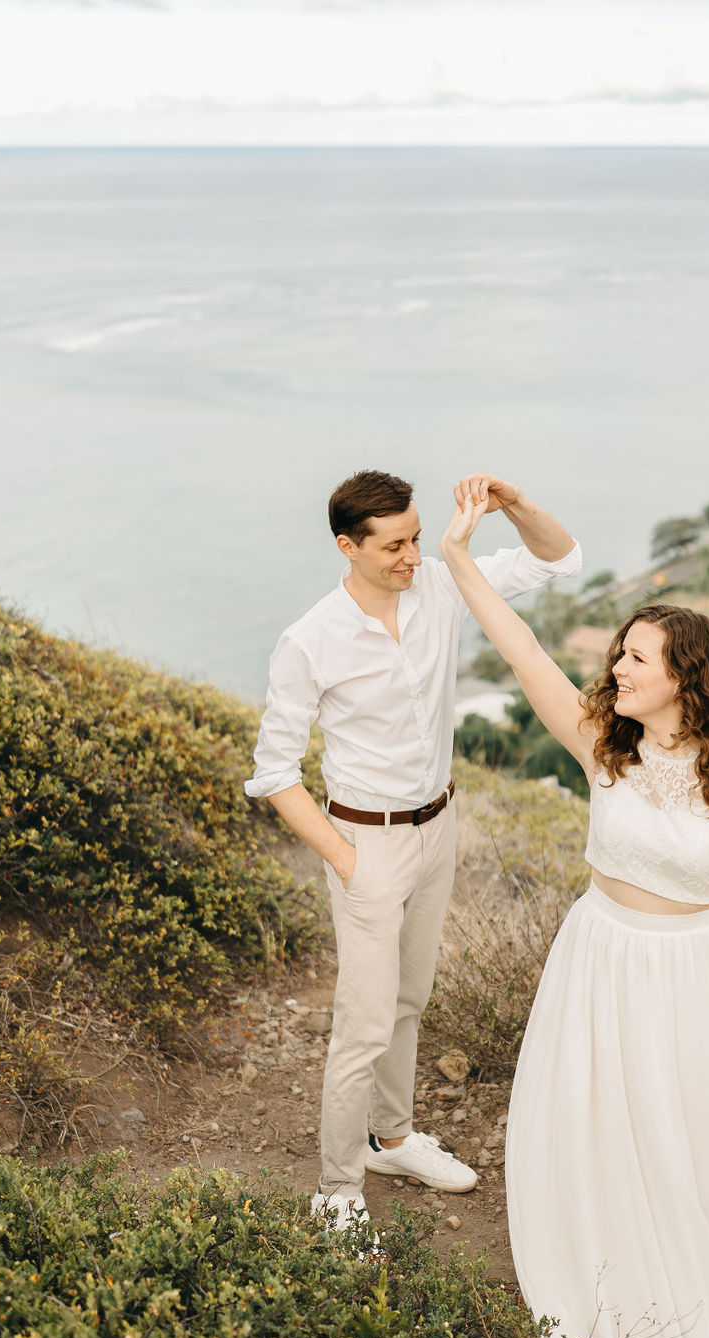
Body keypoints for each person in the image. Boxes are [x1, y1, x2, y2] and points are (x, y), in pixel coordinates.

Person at [440, 490, 709, 1338]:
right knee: (593, 1126)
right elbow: (522, 648)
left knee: (692, 1138)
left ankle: (682, 1270)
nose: (617, 666)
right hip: (600, 960)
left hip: (698, 972)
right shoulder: (600, 745)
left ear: (686, 675)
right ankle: (596, 1291)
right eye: (620, 650)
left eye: (636, 656)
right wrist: (460, 557)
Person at [244, 469, 581, 1231]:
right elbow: (273, 773)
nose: (411, 555)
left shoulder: (440, 585)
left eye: (418, 537)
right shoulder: (310, 639)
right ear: (347, 545)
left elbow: (560, 560)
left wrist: (516, 505)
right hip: (366, 841)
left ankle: (391, 1137)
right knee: (362, 1023)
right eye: (394, 545)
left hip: (438, 828)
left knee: (409, 1000)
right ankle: (336, 1190)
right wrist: (344, 856)